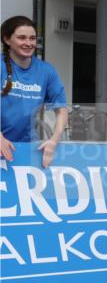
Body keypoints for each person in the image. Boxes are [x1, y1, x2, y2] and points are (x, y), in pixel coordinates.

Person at [1, 15, 67, 168]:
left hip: (29, 149)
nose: (28, 43)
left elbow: (61, 110)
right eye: (21, 38)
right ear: (7, 39)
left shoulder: (46, 71)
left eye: (32, 38)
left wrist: (54, 140)